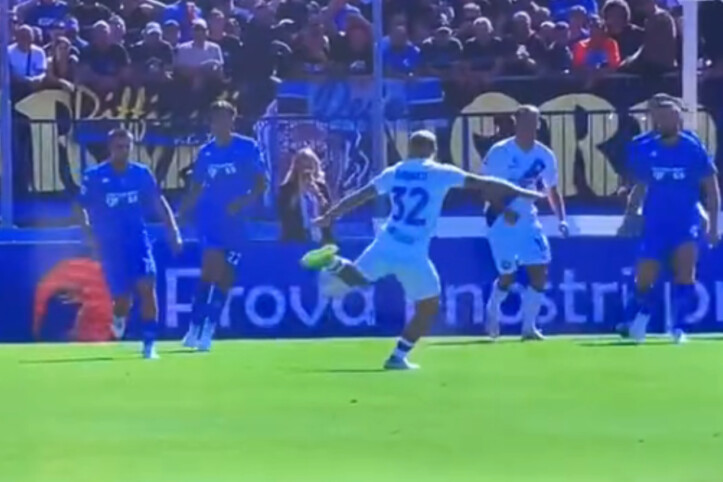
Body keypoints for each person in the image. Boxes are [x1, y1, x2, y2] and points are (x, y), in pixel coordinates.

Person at [300, 130, 545, 370]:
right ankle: (397, 357)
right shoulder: (439, 172)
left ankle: (333, 263)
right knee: (429, 305)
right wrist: (523, 192)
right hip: (413, 251)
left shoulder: (395, 171)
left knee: (359, 280)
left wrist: (330, 215)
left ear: (410, 150)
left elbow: (361, 195)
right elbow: (486, 183)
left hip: (387, 240)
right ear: (433, 150)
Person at [620, 100, 720, 344]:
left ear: (678, 120)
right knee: (645, 275)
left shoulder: (692, 148)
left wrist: (714, 224)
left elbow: (711, 187)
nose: (662, 123)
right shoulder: (646, 149)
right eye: (659, 118)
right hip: (655, 221)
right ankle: (639, 316)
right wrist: (631, 212)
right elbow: (640, 184)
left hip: (686, 221)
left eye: (668, 118)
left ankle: (677, 328)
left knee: (686, 273)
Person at [77, 128, 182, 359]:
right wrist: (89, 234)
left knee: (147, 286)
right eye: (119, 147)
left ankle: (149, 344)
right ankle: (119, 317)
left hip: (138, 241)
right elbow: (79, 206)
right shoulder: (95, 176)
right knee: (123, 299)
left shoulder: (141, 174)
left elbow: (158, 202)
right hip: (111, 245)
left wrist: (173, 230)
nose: (123, 151)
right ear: (110, 148)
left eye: (127, 147)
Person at [178, 101, 267, 352]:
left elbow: (262, 184)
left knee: (226, 276)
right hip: (211, 219)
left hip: (238, 222)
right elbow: (196, 186)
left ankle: (209, 327)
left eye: (224, 119)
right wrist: (183, 213)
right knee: (210, 269)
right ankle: (195, 326)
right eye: (215, 119)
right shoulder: (206, 153)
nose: (219, 124)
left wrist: (242, 202)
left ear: (232, 120)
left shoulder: (247, 147)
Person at [482, 105, 569, 341]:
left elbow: (551, 189)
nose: (532, 127)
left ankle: (529, 327)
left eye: (535, 122)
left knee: (540, 269)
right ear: (517, 123)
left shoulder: (545, 155)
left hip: (528, 219)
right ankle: (493, 310)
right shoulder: (500, 152)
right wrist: (504, 210)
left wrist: (561, 219)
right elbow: (486, 187)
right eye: (527, 122)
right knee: (508, 275)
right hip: (501, 220)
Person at [278, 147, 334, 244]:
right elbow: (285, 213)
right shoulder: (286, 189)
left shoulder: (322, 187)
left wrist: (318, 195)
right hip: (296, 240)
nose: (306, 172)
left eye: (309, 167)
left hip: (321, 238)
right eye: (303, 167)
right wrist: (299, 191)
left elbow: (330, 212)